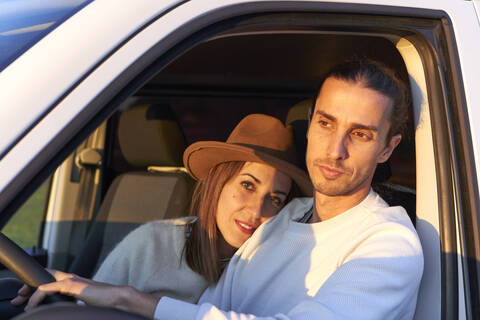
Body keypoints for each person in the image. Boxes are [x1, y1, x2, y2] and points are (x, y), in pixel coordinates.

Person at [148, 59, 424, 319]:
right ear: (310, 122)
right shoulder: (286, 215)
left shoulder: (389, 243)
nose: (335, 150)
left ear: (387, 148)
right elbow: (211, 305)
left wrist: (138, 302)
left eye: (360, 134)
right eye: (326, 123)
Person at [11, 114, 312, 317]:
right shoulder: (153, 243)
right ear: (218, 184)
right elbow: (87, 309)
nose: (258, 210)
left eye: (275, 199)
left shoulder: (277, 264)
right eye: (247, 185)